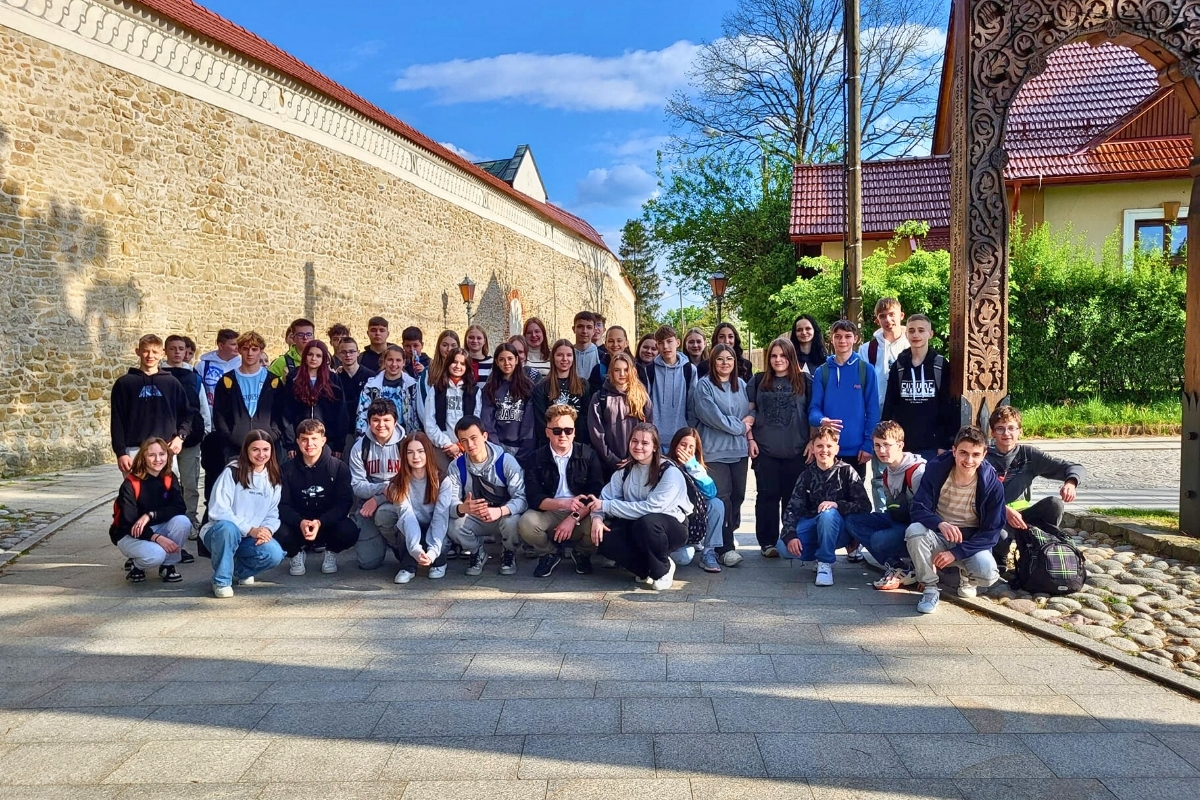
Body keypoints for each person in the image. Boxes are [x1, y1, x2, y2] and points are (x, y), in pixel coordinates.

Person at [906, 426, 1005, 614]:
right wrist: (939, 523)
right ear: (954, 451)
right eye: (963, 453)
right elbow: (918, 508)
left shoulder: (992, 485)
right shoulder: (936, 469)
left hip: (970, 542)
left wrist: (957, 553)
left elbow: (992, 532)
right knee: (914, 531)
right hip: (938, 535)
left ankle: (966, 576)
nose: (969, 460)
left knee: (988, 575)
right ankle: (930, 588)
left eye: (976, 455)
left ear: (984, 455)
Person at [589, 423, 692, 590]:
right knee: (605, 537)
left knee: (648, 522)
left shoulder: (669, 471)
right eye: (634, 441)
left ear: (655, 447)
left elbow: (651, 508)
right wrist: (597, 519)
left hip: (670, 528)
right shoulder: (624, 471)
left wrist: (607, 506)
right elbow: (602, 500)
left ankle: (663, 568)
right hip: (638, 525)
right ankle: (644, 569)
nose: (638, 446)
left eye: (645, 443)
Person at [986, 405, 1087, 567]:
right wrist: (1002, 510)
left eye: (1011, 428)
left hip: (1023, 517)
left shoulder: (1029, 455)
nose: (1006, 433)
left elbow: (1074, 467)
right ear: (992, 433)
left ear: (1020, 431)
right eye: (1000, 429)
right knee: (1001, 536)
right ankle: (999, 560)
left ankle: (1041, 549)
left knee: (1054, 504)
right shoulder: (983, 456)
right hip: (994, 516)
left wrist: (1071, 482)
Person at [777, 425, 872, 586]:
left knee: (828, 514)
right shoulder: (806, 475)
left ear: (837, 449)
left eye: (829, 446)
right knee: (783, 547)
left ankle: (824, 562)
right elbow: (792, 508)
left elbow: (864, 505)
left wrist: (837, 505)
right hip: (814, 524)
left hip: (840, 527)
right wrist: (790, 535)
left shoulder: (847, 472)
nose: (824, 450)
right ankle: (819, 551)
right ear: (813, 448)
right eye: (819, 446)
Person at [518, 404, 605, 578]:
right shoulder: (536, 458)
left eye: (568, 430)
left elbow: (594, 494)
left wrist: (573, 518)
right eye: (557, 430)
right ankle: (549, 553)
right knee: (526, 523)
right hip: (550, 510)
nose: (563, 435)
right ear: (547, 432)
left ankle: (581, 552)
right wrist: (563, 504)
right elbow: (534, 498)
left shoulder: (588, 454)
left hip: (581, 512)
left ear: (574, 432)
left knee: (600, 524)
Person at [201, 430, 286, 598]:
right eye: (255, 449)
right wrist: (250, 529)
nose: (261, 454)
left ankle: (239, 570)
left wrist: (267, 530)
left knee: (274, 554)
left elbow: (272, 512)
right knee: (228, 528)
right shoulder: (232, 472)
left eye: (265, 449)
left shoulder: (273, 477)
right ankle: (221, 581)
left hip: (249, 538)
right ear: (246, 450)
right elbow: (218, 510)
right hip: (220, 533)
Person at [747, 338, 811, 558]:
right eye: (774, 356)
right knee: (767, 496)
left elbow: (812, 412)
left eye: (783, 355)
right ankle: (767, 542)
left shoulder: (805, 381)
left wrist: (813, 441)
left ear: (791, 357)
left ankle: (791, 539)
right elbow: (749, 413)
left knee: (794, 498)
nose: (778, 360)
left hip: (797, 449)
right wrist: (750, 439)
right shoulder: (758, 381)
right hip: (765, 450)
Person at [844, 421, 926, 590]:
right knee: (853, 521)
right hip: (899, 518)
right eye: (877, 445)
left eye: (887, 445)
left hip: (918, 527)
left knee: (878, 540)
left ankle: (913, 565)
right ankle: (896, 565)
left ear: (900, 445)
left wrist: (925, 565)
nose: (881, 451)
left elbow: (929, 514)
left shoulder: (917, 472)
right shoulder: (887, 472)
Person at [447, 415, 528, 577]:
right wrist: (462, 508)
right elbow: (450, 503)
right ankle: (477, 552)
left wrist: (500, 511)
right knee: (453, 525)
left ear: (484, 436)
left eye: (474, 438)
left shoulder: (506, 461)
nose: (470, 445)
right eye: (464, 441)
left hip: (502, 515)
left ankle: (509, 551)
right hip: (475, 516)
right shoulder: (456, 466)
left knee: (514, 521)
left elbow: (522, 498)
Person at [693, 343, 751, 566]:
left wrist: (751, 420)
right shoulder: (704, 385)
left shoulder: (742, 385)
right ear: (712, 361)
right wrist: (740, 427)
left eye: (729, 359)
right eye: (720, 359)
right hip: (714, 451)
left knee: (738, 497)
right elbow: (711, 416)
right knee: (722, 497)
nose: (725, 363)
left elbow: (752, 409)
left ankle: (725, 534)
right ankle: (725, 548)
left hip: (739, 451)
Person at [279, 419, 357, 577]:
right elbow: (282, 505)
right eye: (304, 439)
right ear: (297, 441)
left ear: (323, 440)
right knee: (276, 529)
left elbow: (344, 503)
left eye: (314, 438)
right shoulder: (286, 469)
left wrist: (321, 522)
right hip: (298, 525)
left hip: (326, 524)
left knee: (349, 530)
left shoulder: (339, 467)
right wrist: (300, 522)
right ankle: (295, 553)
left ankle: (331, 551)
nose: (309, 444)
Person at [109, 438, 192, 583]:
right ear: (143, 457)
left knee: (183, 522)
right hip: (130, 534)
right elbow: (128, 523)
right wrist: (157, 538)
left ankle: (168, 565)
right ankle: (137, 565)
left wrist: (150, 515)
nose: (158, 459)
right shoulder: (131, 484)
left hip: (156, 526)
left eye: (162, 454)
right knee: (156, 555)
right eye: (152, 455)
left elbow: (179, 507)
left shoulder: (169, 478)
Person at [110, 334, 193, 476]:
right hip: (134, 450)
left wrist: (180, 438)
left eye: (155, 352)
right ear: (138, 351)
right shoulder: (124, 384)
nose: (150, 356)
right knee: (136, 490)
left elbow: (187, 414)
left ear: (162, 354)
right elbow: (117, 420)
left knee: (168, 489)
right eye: (146, 351)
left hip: (165, 449)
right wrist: (121, 452)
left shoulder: (171, 383)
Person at [808, 319, 878, 481]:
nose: (842, 341)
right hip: (827, 449)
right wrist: (822, 420)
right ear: (831, 339)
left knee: (854, 494)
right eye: (838, 336)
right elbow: (813, 409)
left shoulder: (866, 370)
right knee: (826, 493)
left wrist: (868, 445)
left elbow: (873, 410)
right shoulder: (822, 372)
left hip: (856, 450)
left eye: (847, 336)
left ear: (855, 339)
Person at [881, 314, 956, 460]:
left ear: (930, 334)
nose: (916, 335)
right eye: (911, 330)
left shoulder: (940, 365)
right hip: (902, 444)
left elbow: (947, 406)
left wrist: (945, 443)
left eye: (921, 330)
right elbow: (890, 404)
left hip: (933, 445)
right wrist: (886, 437)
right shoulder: (899, 365)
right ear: (906, 334)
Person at [860, 298, 909, 511]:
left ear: (901, 315)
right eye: (882, 316)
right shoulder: (868, 349)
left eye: (891, 314)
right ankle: (882, 515)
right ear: (876, 320)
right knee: (880, 472)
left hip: (906, 414)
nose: (888, 320)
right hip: (878, 414)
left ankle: (906, 514)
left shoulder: (911, 344)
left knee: (907, 467)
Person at [387, 432, 454, 584]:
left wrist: (432, 552)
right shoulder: (397, 484)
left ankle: (439, 562)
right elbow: (407, 516)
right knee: (403, 529)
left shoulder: (443, 480)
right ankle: (408, 567)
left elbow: (440, 517)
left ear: (428, 452)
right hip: (412, 525)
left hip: (434, 524)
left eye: (420, 451)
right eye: (410, 452)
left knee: (443, 534)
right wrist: (415, 550)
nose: (415, 457)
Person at [211, 331, 285, 465]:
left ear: (261, 351)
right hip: (236, 449)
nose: (250, 353)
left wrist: (273, 434)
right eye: (245, 349)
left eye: (254, 349)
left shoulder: (273, 381)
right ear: (239, 350)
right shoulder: (227, 381)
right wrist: (229, 436)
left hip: (267, 447)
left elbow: (280, 413)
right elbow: (219, 414)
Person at [350, 399, 405, 571]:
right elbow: (357, 486)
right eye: (376, 420)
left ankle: (397, 544)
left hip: (399, 503)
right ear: (368, 421)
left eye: (386, 420)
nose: (381, 425)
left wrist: (378, 499)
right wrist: (382, 489)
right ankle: (381, 540)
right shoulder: (360, 447)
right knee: (367, 562)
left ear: (395, 421)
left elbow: (411, 484)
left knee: (384, 514)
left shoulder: (406, 444)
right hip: (367, 504)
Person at [163, 334, 210, 531]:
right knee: (168, 482)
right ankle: (169, 518)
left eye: (181, 349)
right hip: (164, 439)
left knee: (190, 483)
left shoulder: (193, 377)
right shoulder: (158, 375)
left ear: (186, 352)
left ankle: (190, 518)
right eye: (172, 348)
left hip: (190, 439)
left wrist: (206, 429)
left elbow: (202, 405)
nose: (177, 352)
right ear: (165, 351)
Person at [278, 340, 348, 461]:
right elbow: (286, 413)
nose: (313, 358)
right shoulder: (294, 378)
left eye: (318, 355)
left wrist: (339, 445)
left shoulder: (333, 379)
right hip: (300, 440)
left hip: (328, 441)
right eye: (310, 354)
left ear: (324, 358)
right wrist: (290, 444)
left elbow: (341, 412)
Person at [666, 428, 724, 573]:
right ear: (675, 444)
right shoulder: (665, 463)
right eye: (683, 444)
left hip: (694, 516)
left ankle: (709, 551)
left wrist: (692, 467)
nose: (686, 450)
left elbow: (711, 493)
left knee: (716, 504)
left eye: (691, 447)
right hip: (674, 519)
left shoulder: (697, 466)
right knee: (684, 557)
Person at [588, 351, 653, 477]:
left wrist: (634, 457)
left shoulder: (641, 396)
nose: (622, 374)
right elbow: (596, 432)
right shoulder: (600, 397)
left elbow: (649, 428)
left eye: (626, 370)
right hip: (607, 464)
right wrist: (611, 458)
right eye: (617, 370)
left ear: (632, 371)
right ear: (611, 372)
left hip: (637, 461)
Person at [422, 347, 481, 471]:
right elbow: (429, 423)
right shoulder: (436, 389)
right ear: (448, 363)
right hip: (442, 448)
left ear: (467, 367)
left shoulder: (474, 391)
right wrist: (447, 444)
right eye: (454, 362)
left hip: (467, 447)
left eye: (462, 363)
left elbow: (477, 421)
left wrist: (460, 446)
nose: (458, 366)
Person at [645, 325, 697, 455]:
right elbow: (646, 404)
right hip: (655, 437)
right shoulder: (650, 370)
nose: (665, 346)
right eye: (661, 343)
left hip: (681, 438)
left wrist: (689, 430)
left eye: (669, 341)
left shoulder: (689, 369)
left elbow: (693, 404)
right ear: (657, 346)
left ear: (677, 342)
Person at [481, 343, 537, 462]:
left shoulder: (528, 386)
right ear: (496, 362)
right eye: (502, 359)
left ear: (516, 360)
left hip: (520, 447)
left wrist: (524, 451)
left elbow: (529, 423)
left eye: (510, 358)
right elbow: (487, 420)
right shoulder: (490, 388)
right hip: (497, 446)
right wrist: (496, 447)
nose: (506, 363)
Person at [533, 339, 591, 446]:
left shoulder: (583, 385)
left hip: (577, 444)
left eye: (569, 355)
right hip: (550, 444)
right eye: (560, 355)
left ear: (573, 358)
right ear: (553, 357)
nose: (565, 359)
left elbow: (585, 417)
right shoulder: (542, 387)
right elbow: (541, 421)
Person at [356, 344, 420, 438]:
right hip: (378, 436)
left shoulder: (412, 386)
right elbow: (362, 416)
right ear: (384, 361)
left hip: (406, 437)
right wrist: (361, 440)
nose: (394, 364)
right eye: (390, 360)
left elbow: (418, 416)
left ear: (404, 362)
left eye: (398, 360)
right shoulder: (371, 387)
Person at [333, 337, 375, 454]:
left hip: (367, 431)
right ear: (338, 354)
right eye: (344, 352)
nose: (348, 355)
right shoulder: (335, 379)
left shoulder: (370, 376)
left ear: (358, 353)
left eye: (351, 351)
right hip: (343, 433)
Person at [417, 330, 462, 422]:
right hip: (433, 425)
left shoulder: (463, 372)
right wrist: (431, 427)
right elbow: (422, 403)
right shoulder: (429, 372)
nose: (449, 349)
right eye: (445, 345)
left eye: (453, 346)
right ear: (439, 346)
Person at [587, 325, 644, 393]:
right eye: (611, 341)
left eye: (619, 341)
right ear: (606, 344)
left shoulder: (638, 369)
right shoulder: (598, 370)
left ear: (626, 343)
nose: (615, 344)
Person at [198, 329, 240, 410]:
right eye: (233, 344)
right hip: (210, 414)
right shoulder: (203, 366)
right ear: (221, 345)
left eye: (238, 344)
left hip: (235, 414)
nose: (237, 347)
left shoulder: (242, 366)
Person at [572, 311, 600, 379]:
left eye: (589, 327)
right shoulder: (567, 355)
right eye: (580, 326)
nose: (584, 331)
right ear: (574, 329)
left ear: (594, 331)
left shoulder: (601, 356)